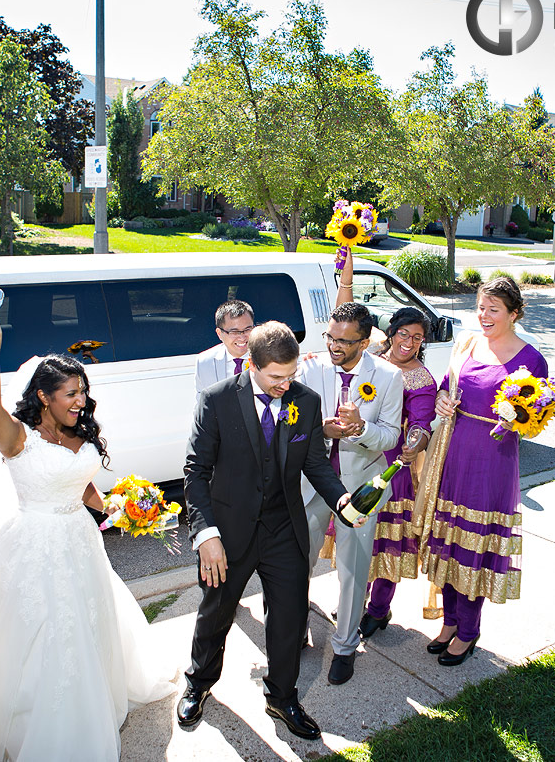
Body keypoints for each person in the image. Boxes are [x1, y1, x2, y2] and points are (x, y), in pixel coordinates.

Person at [0, 309, 179, 761]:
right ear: (43, 396)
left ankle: (91, 698)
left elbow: (80, 485)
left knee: (85, 620)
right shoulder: (18, 438)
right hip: (32, 544)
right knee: (37, 629)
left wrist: (122, 508)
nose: (80, 400)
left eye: (83, 391)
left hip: (79, 538)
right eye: (70, 393)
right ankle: (35, 717)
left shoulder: (78, 432)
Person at [179, 321, 352, 741]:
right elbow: (195, 473)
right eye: (276, 377)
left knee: (290, 617)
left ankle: (282, 695)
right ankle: (199, 684)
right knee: (215, 614)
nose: (285, 384)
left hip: (283, 528)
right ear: (252, 365)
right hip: (228, 532)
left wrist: (341, 499)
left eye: (291, 375)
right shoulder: (216, 401)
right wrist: (207, 536)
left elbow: (313, 462)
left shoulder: (305, 402)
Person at [420, 277, 548, 666]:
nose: (485, 315)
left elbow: (539, 415)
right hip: (453, 451)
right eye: (481, 307)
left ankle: (469, 631)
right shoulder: (467, 343)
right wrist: (442, 399)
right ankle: (450, 620)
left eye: (494, 309)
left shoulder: (531, 358)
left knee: (473, 544)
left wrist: (519, 421)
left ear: (513, 313)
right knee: (449, 540)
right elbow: (446, 385)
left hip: (492, 458)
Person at [330, 250, 436, 640]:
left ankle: (378, 608)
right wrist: (347, 269)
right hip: (355, 460)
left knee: (386, 542)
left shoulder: (421, 377)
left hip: (393, 467)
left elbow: (422, 423)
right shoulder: (368, 356)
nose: (409, 342)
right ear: (389, 334)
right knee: (354, 538)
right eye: (404, 333)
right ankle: (351, 602)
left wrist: (415, 443)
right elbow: (344, 318)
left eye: (418, 337)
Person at [296, 298, 402, 686]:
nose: (334, 346)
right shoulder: (311, 368)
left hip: (360, 490)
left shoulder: (389, 377)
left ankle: (344, 646)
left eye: (343, 340)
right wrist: (321, 430)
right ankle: (294, 631)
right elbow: (293, 424)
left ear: (365, 340)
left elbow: (391, 436)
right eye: (330, 337)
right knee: (298, 562)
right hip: (313, 484)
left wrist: (361, 430)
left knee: (353, 570)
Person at [195, 300, 255, 394]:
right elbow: (202, 403)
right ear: (219, 334)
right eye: (234, 332)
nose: (242, 337)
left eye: (247, 329)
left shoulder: (268, 357)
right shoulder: (205, 362)